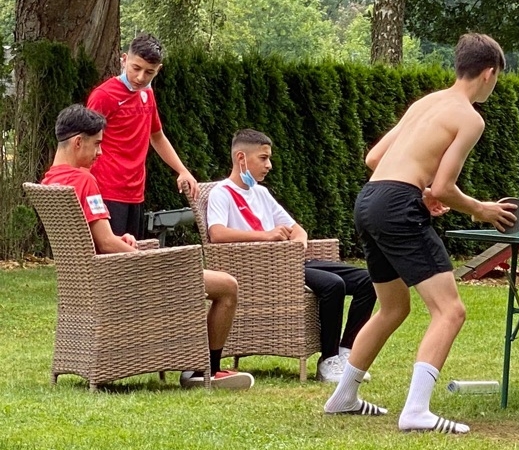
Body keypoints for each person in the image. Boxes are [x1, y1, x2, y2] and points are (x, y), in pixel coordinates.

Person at [324, 32, 518, 434]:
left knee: (393, 308)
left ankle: (343, 397)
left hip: (370, 200)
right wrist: (481, 209)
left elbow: (374, 158)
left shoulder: (426, 102)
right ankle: (415, 411)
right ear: (489, 73)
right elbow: (445, 187)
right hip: (397, 206)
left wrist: (419, 188)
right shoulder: (470, 117)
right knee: (450, 310)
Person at [41, 104, 253, 389]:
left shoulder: (51, 181)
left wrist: (121, 240)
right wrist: (145, 257)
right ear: (78, 142)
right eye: (97, 144)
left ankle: (194, 363)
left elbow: (97, 240)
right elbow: (105, 242)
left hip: (95, 280)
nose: (100, 153)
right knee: (227, 286)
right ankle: (204, 370)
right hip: (123, 279)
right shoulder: (84, 180)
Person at [205, 129, 377, 383]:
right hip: (261, 269)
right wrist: (266, 236)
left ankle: (345, 352)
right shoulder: (221, 193)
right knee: (333, 285)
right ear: (241, 158)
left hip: (289, 262)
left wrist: (297, 245)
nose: (269, 165)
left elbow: (298, 230)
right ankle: (328, 360)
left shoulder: (261, 193)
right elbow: (217, 233)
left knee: (368, 281)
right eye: (263, 158)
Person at [86, 33, 199, 240]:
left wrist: (182, 170)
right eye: (136, 68)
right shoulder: (104, 96)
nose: (140, 77)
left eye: (149, 72)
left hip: (136, 192)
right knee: (113, 254)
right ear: (124, 59)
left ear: (158, 70)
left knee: (133, 253)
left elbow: (157, 136)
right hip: (106, 190)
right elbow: (84, 141)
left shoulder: (147, 94)